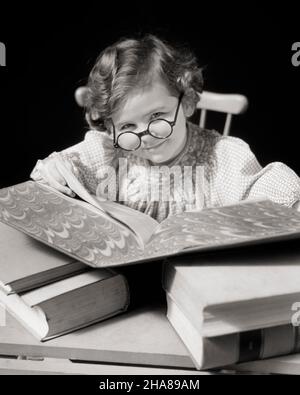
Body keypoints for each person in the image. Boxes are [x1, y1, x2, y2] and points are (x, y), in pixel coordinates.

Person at [30, 34, 300, 222]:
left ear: (188, 101)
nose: (145, 135)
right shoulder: (111, 152)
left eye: (157, 115)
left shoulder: (220, 158)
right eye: (127, 126)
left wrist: (289, 201)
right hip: (125, 284)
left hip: (196, 283)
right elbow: (69, 165)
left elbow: (261, 187)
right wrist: (57, 172)